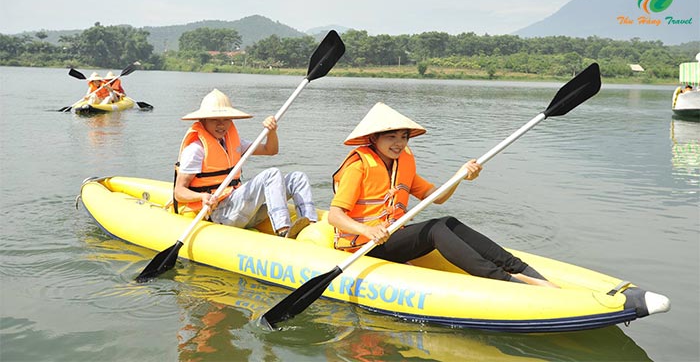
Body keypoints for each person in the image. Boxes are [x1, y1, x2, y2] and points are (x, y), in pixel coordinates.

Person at [328, 102, 558, 287]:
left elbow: (436, 197)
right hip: (362, 247)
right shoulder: (358, 166)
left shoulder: (400, 165)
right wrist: (367, 230)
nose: (399, 143)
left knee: (449, 222)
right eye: (391, 137)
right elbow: (335, 216)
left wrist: (460, 176)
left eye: (403, 137)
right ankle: (506, 281)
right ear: (373, 138)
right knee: (435, 229)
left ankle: (522, 270)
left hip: (390, 238)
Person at [173, 89, 317, 238]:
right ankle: (283, 230)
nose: (221, 125)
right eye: (214, 119)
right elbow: (179, 192)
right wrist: (202, 197)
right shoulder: (196, 149)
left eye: (226, 119)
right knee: (272, 174)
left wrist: (271, 131)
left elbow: (270, 150)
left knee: (297, 178)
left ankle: (311, 227)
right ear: (203, 121)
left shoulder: (233, 142)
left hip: (241, 210)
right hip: (220, 214)